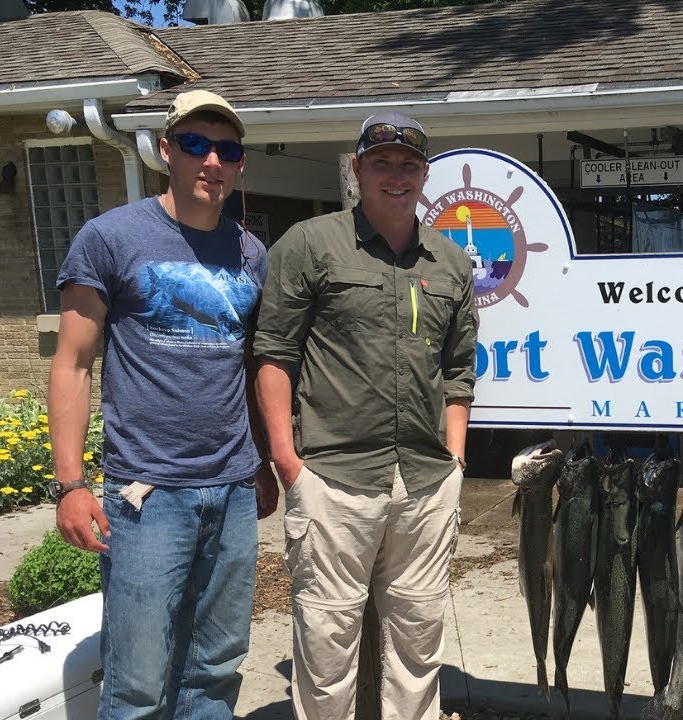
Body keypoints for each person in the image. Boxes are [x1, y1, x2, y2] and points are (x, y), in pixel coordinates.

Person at [48, 89, 276, 719]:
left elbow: (249, 366)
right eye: (197, 145)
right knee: (138, 680)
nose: (212, 162)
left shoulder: (250, 254)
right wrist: (70, 483)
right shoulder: (111, 238)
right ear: (166, 150)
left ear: (239, 164)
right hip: (147, 495)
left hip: (231, 490)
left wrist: (259, 462)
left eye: (226, 150)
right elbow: (71, 363)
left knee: (216, 668)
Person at [253, 110, 478, 720]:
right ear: (357, 169)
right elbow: (273, 355)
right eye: (382, 163)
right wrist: (286, 461)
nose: (396, 176)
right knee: (326, 649)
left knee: (418, 644)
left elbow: (458, 370)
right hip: (333, 478)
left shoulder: (452, 263)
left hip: (427, 482)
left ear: (425, 175)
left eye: (409, 165)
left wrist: (455, 459)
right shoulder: (309, 244)